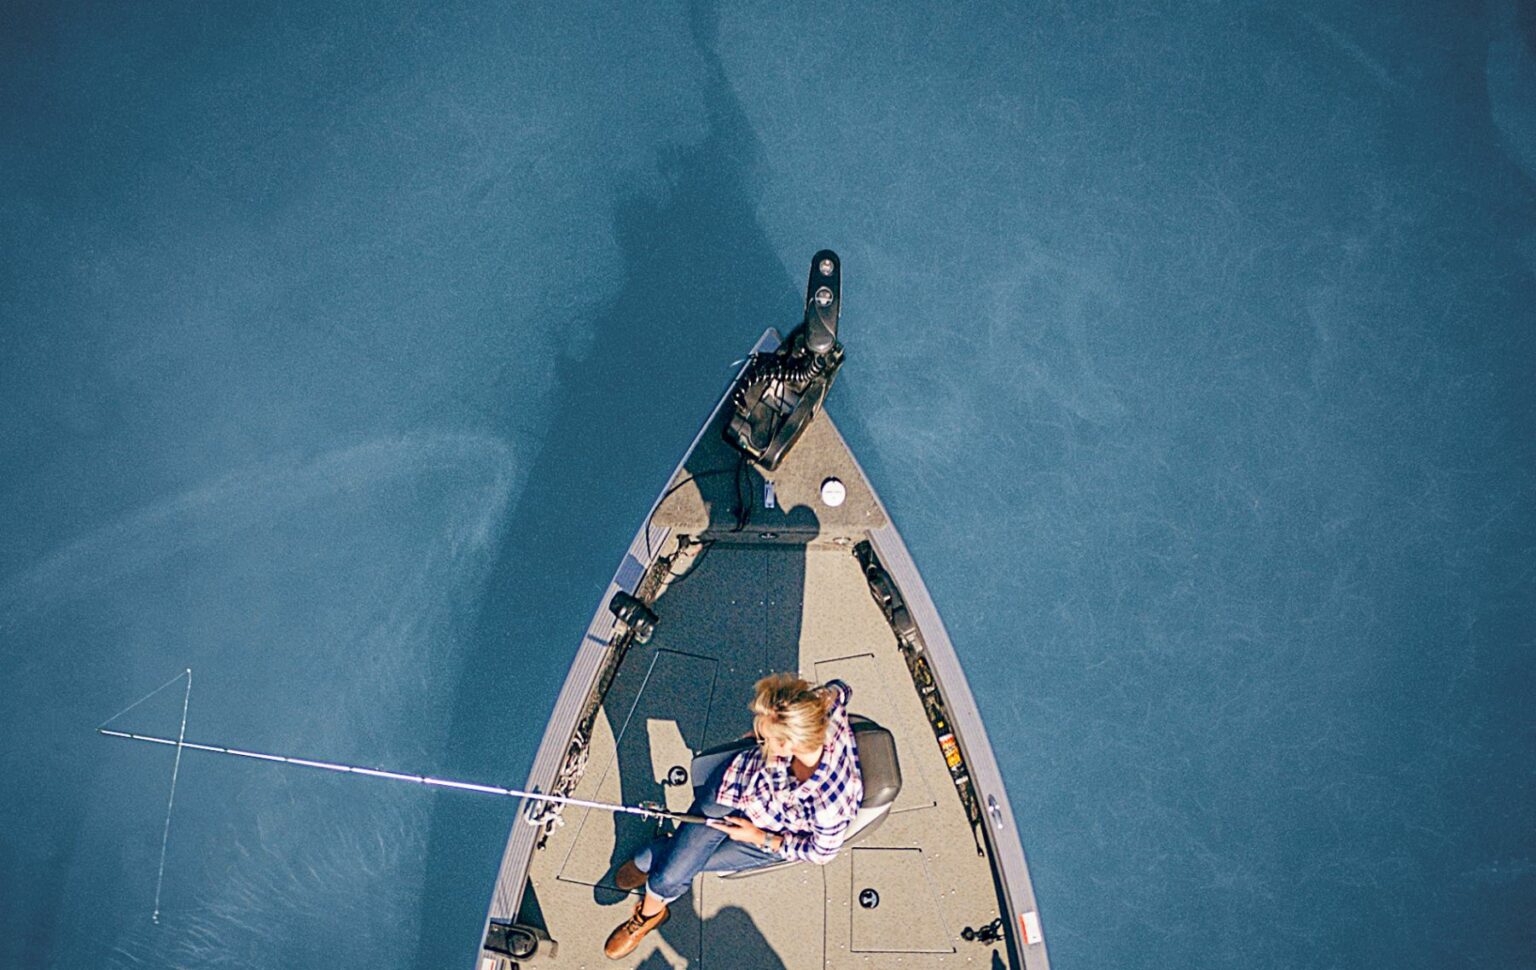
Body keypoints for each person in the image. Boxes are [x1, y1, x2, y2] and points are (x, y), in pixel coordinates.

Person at [602, 673, 864, 959]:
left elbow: (820, 852)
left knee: (669, 875)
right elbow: (842, 687)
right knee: (678, 864)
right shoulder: (819, 707)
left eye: (766, 738)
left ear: (791, 744)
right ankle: (655, 859)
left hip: (766, 831)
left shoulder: (828, 806)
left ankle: (647, 915)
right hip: (737, 783)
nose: (760, 739)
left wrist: (758, 836)